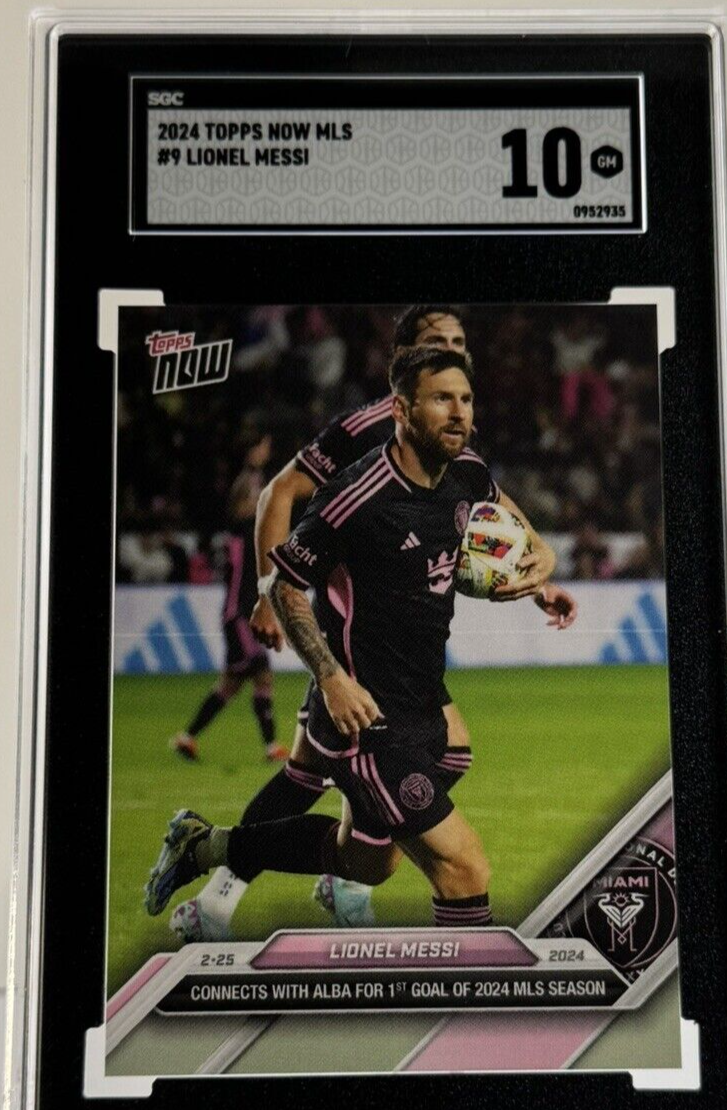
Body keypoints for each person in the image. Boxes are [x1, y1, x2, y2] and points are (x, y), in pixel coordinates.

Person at [170, 306, 566, 941]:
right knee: (463, 866)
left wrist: (539, 568)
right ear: (402, 399)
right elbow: (284, 548)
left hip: (418, 690)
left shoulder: (465, 469)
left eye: (466, 395)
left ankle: (209, 846)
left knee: (368, 855)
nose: (459, 410)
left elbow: (497, 513)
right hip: (360, 693)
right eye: (442, 393)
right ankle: (464, 986)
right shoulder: (355, 488)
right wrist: (326, 671)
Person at [170, 470, 289, 764]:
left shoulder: (237, 531)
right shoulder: (246, 529)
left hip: (237, 614)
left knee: (230, 685)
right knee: (262, 674)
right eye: (255, 492)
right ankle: (272, 747)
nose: (262, 496)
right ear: (241, 501)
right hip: (240, 615)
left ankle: (187, 738)